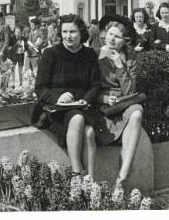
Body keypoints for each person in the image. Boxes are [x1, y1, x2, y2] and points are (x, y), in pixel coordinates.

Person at [35, 14, 101, 177]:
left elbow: (95, 85)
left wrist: (86, 100)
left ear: (81, 33)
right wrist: (57, 97)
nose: (68, 36)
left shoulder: (90, 54)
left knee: (89, 132)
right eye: (64, 32)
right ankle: (76, 174)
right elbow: (40, 87)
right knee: (77, 119)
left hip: (83, 106)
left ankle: (90, 182)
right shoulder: (50, 53)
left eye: (72, 32)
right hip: (56, 108)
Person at [94, 14, 144, 187]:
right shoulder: (95, 55)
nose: (112, 39)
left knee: (137, 113)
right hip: (101, 105)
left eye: (117, 36)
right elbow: (87, 88)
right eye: (110, 34)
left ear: (125, 41)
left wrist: (119, 65)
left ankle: (122, 176)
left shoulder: (130, 59)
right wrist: (105, 98)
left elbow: (130, 90)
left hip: (124, 103)